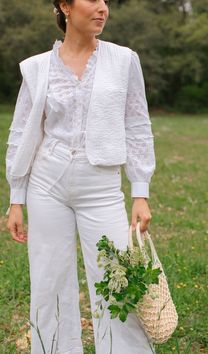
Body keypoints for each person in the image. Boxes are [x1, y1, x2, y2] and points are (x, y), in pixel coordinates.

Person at [5, 0, 156, 353]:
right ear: (65, 7)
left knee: (117, 279)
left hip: (101, 186)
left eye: (106, 1)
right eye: (93, 0)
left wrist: (140, 191)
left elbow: (137, 125)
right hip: (47, 183)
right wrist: (16, 197)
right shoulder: (37, 67)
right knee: (48, 279)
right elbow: (22, 132)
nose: (102, 8)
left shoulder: (123, 60)